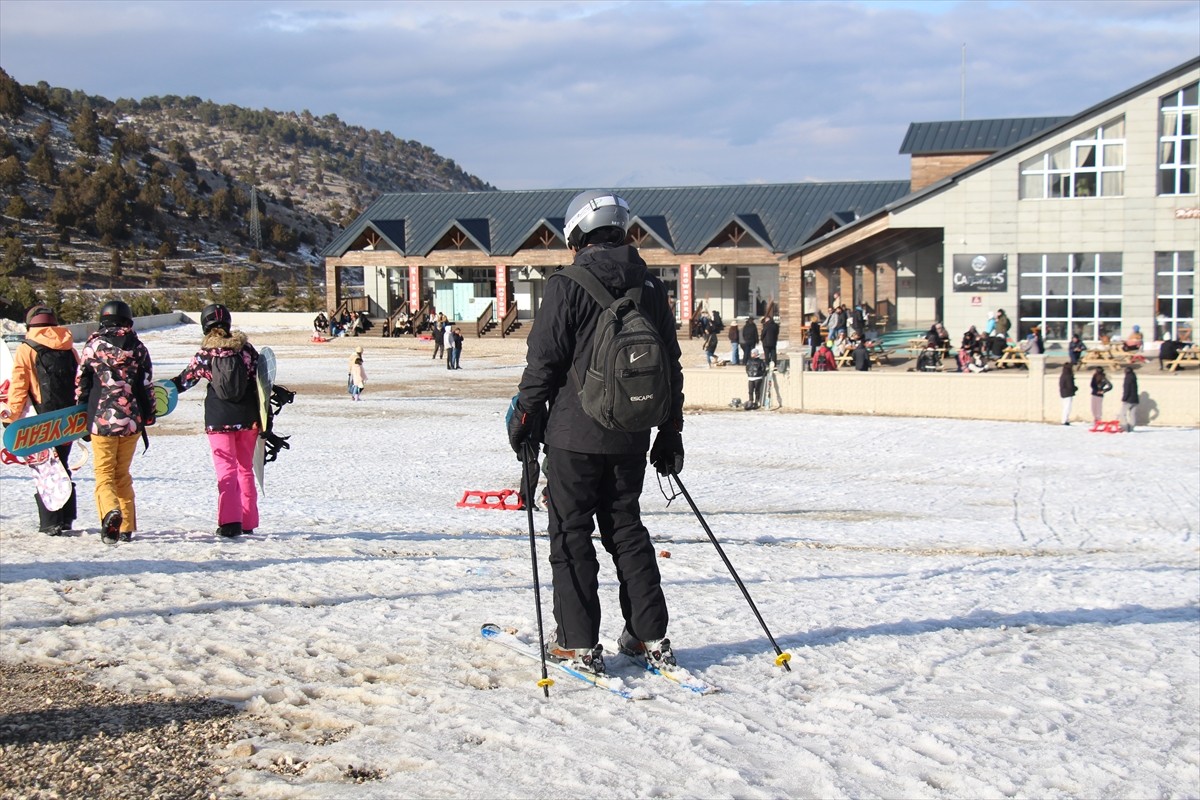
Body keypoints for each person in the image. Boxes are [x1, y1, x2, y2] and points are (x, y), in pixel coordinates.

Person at [506, 189, 684, 677]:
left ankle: (578, 644)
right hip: (632, 432)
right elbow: (670, 364)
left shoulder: (566, 285)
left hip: (571, 437)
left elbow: (542, 363)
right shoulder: (650, 286)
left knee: (570, 534)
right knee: (626, 529)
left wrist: (524, 417)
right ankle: (649, 636)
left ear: (577, 234)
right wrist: (671, 432)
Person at [169, 304, 261, 538]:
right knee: (245, 469)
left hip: (218, 419)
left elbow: (185, 381)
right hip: (248, 418)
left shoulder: (205, 354)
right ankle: (248, 520)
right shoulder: (246, 349)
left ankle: (230, 522)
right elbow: (261, 380)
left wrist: (159, 393)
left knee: (226, 470)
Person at [75, 300, 155, 544]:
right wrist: (148, 416)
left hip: (102, 421)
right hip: (131, 421)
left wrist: (82, 418)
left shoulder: (93, 347)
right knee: (122, 474)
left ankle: (111, 512)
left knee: (104, 474)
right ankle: (126, 527)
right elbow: (147, 386)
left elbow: (81, 386)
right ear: (128, 321)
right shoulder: (139, 348)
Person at [1, 305, 80, 535]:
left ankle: (51, 522)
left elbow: (19, 386)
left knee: (44, 467)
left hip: (41, 418)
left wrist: (11, 416)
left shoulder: (27, 348)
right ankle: (66, 519)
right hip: (69, 418)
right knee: (62, 463)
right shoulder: (69, 347)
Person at [1119, 365, 1139, 432]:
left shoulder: (1127, 378)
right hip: (1135, 399)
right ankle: (1131, 428)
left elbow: (1127, 389)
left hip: (1128, 399)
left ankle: (1125, 427)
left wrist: (1124, 398)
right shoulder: (1134, 377)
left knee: (1122, 414)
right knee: (1132, 414)